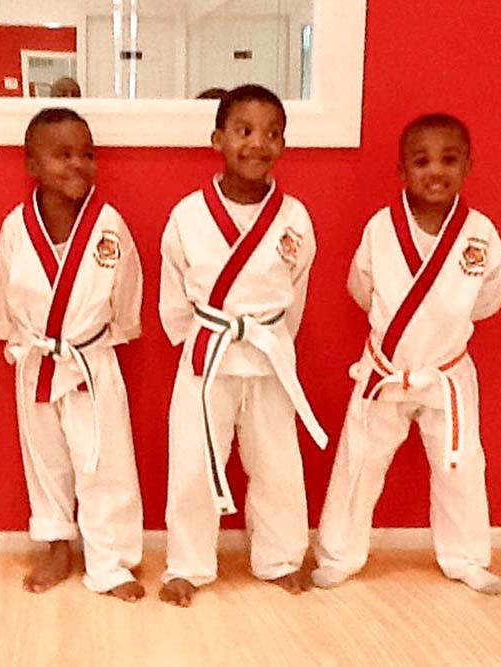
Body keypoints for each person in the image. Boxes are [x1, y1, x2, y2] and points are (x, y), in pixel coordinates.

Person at [313, 113, 501, 595]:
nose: (435, 171)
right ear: (401, 170)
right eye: (422, 161)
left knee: (460, 464)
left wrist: (443, 330)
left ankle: (466, 557)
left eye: (449, 160)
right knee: (359, 460)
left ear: (468, 167)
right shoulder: (381, 228)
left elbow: (486, 299)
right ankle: (339, 553)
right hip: (386, 370)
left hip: (446, 371)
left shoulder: (480, 234)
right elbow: (362, 287)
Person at [158, 84, 327, 607]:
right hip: (207, 353)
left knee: (277, 461)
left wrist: (272, 340)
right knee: (192, 462)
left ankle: (279, 558)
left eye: (273, 134)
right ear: (218, 139)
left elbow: (294, 294)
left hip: (269, 353)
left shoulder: (294, 218)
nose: (258, 144)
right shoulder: (188, 214)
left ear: (284, 145)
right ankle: (187, 564)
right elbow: (173, 296)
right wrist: (199, 340)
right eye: (244, 131)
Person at [0, 108, 145, 602]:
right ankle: (57, 544)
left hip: (91, 360)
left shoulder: (110, 225)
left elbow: (128, 289)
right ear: (31, 165)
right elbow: (2, 294)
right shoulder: (16, 227)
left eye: (87, 155)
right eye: (63, 155)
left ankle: (111, 561)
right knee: (46, 459)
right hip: (36, 358)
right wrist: (14, 337)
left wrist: (110, 337)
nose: (78, 164)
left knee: (105, 460)